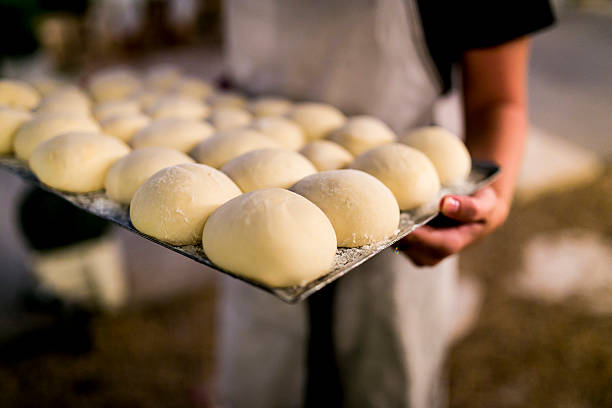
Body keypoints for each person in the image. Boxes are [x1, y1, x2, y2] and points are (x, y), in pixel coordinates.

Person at [213, 1, 555, 407]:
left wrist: (491, 197)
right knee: (261, 383)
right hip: (257, 217)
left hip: (399, 229)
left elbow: (497, 100)